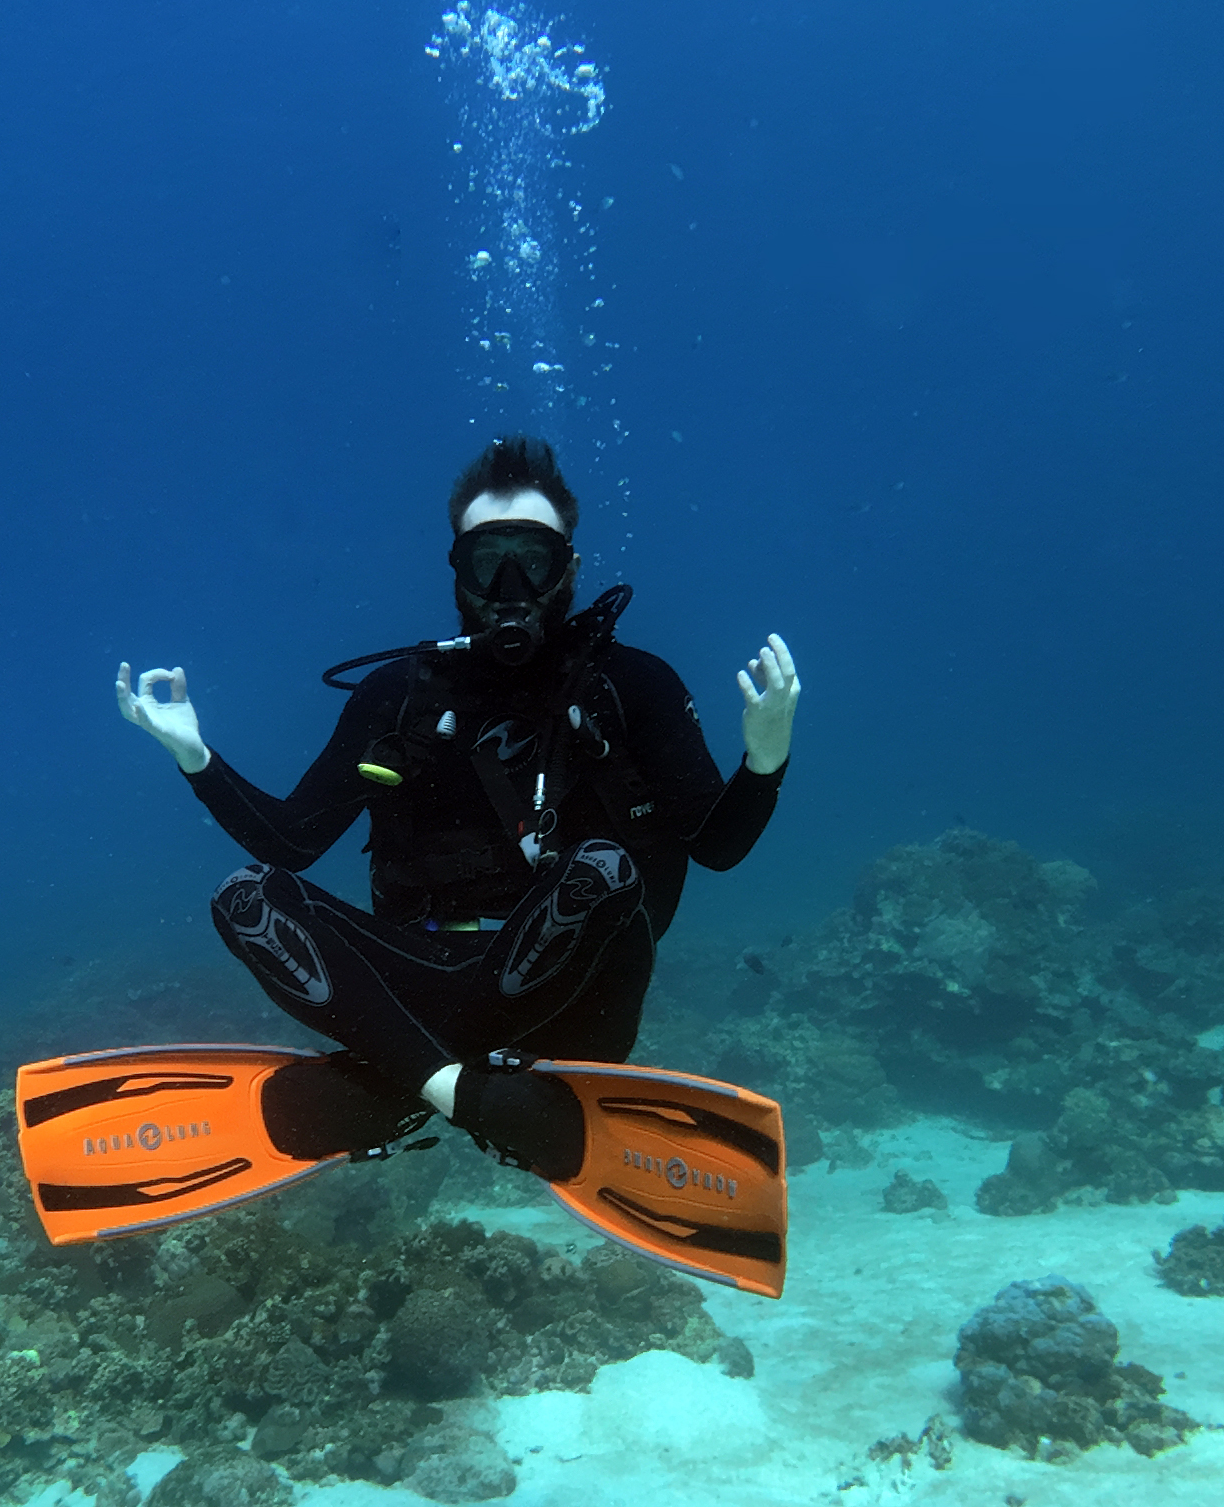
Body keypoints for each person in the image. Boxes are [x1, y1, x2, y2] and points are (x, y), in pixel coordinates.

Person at [114, 435, 799, 1183]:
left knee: (599, 869)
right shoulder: (399, 697)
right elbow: (292, 840)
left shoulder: (630, 686)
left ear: (567, 569)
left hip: (578, 991)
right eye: (485, 559)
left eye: (531, 558)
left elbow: (718, 845)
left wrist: (764, 758)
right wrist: (194, 755)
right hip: (427, 971)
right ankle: (467, 1093)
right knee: (246, 896)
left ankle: (399, 1080)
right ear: (456, 573)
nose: (509, 582)